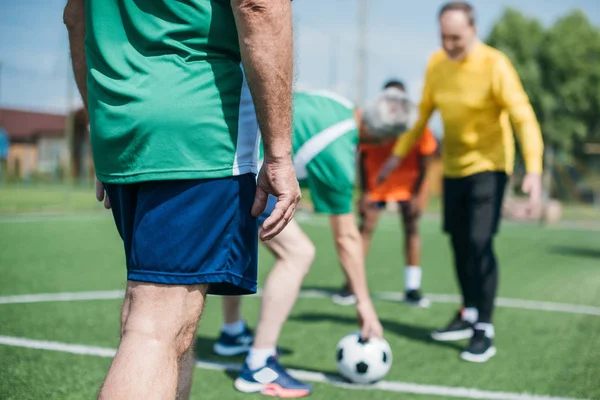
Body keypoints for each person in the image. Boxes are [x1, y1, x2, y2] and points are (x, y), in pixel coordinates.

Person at [64, 1, 301, 399]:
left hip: (121, 127)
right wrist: (278, 153)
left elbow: (75, 17)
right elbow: (259, 6)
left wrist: (99, 122)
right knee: (157, 328)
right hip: (198, 130)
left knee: (167, 319)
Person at [378, 1, 543, 363]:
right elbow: (422, 116)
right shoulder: (437, 63)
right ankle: (468, 312)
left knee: (479, 242)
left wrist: (533, 168)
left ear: (473, 30)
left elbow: (523, 116)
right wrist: (395, 156)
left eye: (456, 37)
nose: (449, 44)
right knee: (458, 243)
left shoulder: (494, 65)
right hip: (453, 168)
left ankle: (484, 326)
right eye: (444, 37)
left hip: (490, 165)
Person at [216, 89, 395, 398]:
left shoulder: (337, 102)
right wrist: (364, 304)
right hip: (245, 173)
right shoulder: (339, 152)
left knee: (247, 238)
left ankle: (232, 333)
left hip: (225, 156)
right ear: (379, 140)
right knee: (298, 253)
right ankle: (259, 365)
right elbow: (347, 237)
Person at [332, 80, 437, 308]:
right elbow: (363, 154)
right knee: (365, 227)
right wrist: (365, 192)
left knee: (411, 227)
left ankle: (412, 288)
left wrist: (418, 193)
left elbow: (427, 155)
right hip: (377, 184)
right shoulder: (374, 120)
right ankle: (352, 284)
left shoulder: (417, 124)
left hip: (408, 184)